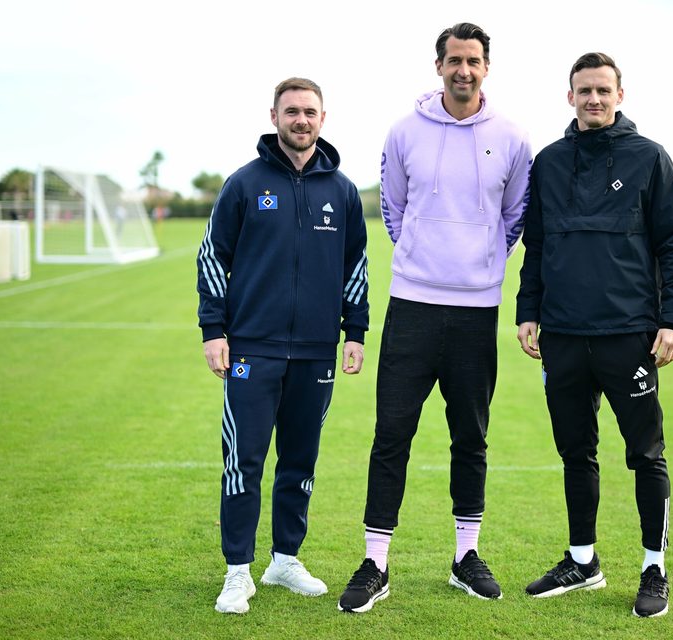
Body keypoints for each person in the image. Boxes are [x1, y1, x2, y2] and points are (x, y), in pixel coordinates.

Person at [337, 22, 532, 613]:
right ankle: (376, 563)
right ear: (438, 64)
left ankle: (464, 557)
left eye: (474, 61)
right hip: (413, 306)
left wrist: (482, 263)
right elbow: (393, 208)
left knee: (470, 437)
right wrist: (421, 258)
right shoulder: (404, 131)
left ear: (487, 67)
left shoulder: (513, 137)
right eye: (454, 60)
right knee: (391, 434)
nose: (464, 70)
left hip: (475, 313)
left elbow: (516, 214)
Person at [514, 52, 673, 618]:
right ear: (569, 97)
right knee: (576, 453)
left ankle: (654, 568)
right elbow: (537, 246)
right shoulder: (547, 162)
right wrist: (528, 309)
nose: (593, 99)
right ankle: (583, 560)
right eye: (583, 91)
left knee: (646, 455)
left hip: (628, 336)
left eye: (602, 90)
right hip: (564, 336)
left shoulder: (649, 159)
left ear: (620, 96)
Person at [196, 77, 369, 615]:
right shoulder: (244, 184)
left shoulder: (340, 190)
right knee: (243, 459)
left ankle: (284, 559)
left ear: (324, 117)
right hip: (252, 348)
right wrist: (213, 330)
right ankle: (237, 572)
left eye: (310, 112)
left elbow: (356, 266)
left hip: (317, 351)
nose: (301, 120)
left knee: (300, 460)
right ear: (274, 115)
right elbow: (212, 257)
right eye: (292, 111)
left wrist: (355, 332)